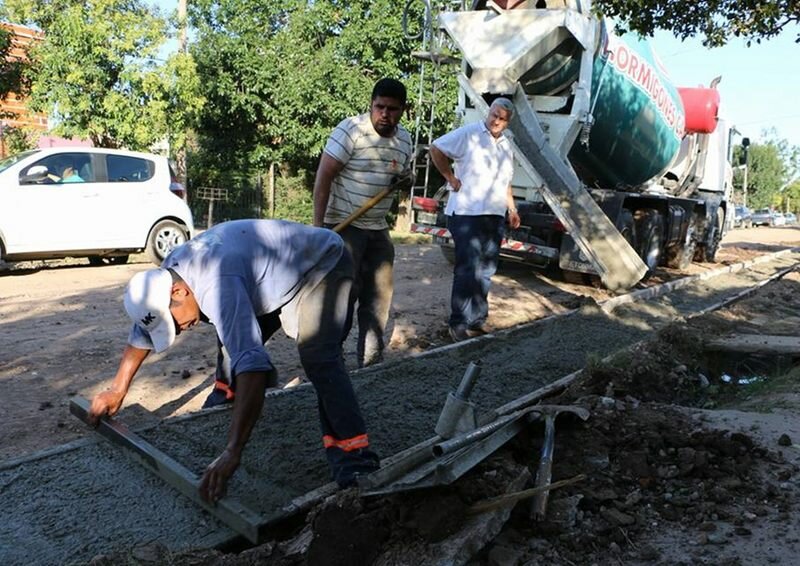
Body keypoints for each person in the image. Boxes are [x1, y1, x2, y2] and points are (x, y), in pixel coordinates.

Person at [87, 219, 380, 501]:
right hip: (262, 275)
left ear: (179, 291)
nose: (176, 330)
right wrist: (118, 388)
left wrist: (233, 450)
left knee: (319, 356)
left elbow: (254, 368)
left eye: (172, 322)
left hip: (322, 265)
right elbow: (142, 331)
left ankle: (355, 457)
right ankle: (225, 402)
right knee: (232, 335)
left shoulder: (217, 285)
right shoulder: (165, 276)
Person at [312, 78, 414, 368]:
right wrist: (319, 229)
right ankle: (330, 358)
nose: (385, 114)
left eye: (392, 109)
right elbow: (324, 179)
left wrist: (406, 180)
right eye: (379, 106)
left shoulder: (404, 140)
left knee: (379, 294)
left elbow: (400, 175)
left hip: (377, 227)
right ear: (371, 104)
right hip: (344, 227)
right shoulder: (351, 131)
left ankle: (370, 359)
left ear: (403, 110)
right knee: (343, 295)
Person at [429, 98, 522, 342]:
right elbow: (436, 148)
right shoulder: (469, 134)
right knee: (468, 269)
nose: (496, 121)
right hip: (467, 214)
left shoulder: (505, 146)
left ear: (508, 123)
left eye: (502, 119)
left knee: (487, 270)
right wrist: (450, 177)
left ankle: (477, 320)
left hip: (494, 215)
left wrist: (512, 210)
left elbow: (506, 183)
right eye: (494, 115)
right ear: (488, 112)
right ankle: (458, 323)